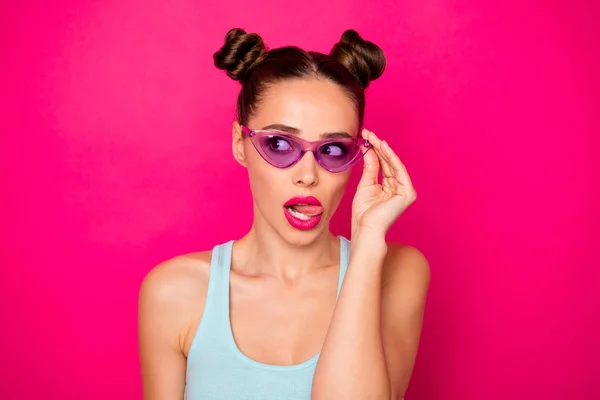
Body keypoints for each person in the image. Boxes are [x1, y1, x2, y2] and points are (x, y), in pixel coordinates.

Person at [138, 27, 430, 400]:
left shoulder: (395, 273)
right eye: (279, 144)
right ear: (239, 144)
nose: (307, 175)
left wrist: (368, 242)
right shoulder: (174, 292)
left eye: (334, 150)